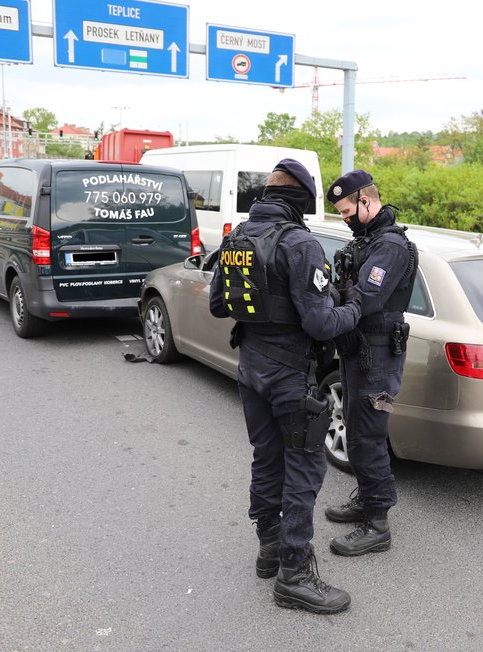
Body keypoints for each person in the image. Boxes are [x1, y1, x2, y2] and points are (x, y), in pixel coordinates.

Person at [209, 159, 361, 615]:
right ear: (301, 200)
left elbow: (219, 304)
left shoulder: (236, 238)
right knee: (304, 470)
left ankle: (270, 549)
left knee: (266, 457)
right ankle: (294, 574)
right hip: (291, 374)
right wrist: (352, 307)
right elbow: (319, 323)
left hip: (250, 366)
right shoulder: (299, 244)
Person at [324, 169, 417, 557]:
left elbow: (368, 298)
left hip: (379, 357)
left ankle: (378, 524)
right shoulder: (367, 241)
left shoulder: (391, 246)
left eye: (347, 210)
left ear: (366, 200)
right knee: (356, 427)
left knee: (369, 435)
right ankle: (367, 498)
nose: (344, 218)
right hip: (357, 351)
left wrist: (333, 303)